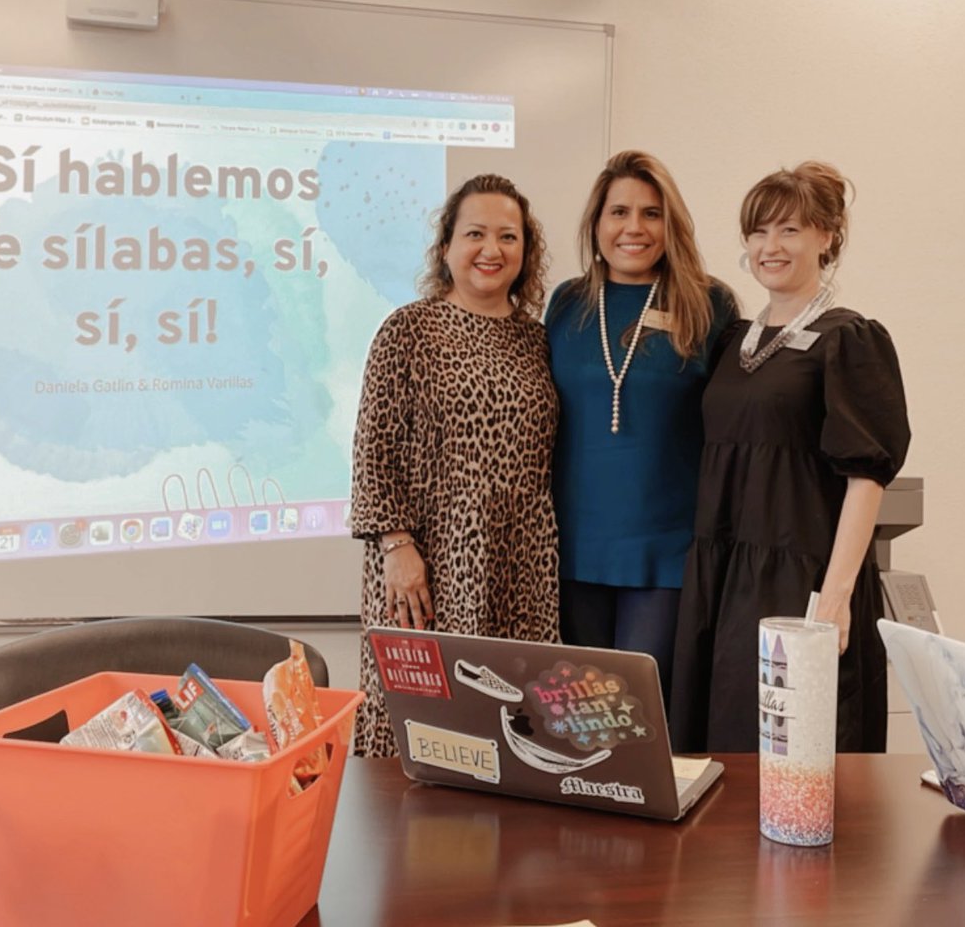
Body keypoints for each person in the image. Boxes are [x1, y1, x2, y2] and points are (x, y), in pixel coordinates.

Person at [670, 161, 911, 753]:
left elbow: (866, 477)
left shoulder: (848, 339)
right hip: (723, 577)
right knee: (716, 750)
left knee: (790, 762)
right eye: (758, 232)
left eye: (789, 231)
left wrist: (833, 599)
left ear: (827, 236)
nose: (769, 247)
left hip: (797, 580)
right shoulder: (734, 340)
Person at [349, 174, 560, 757]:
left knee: (514, 729)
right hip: (424, 567)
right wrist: (398, 549)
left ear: (526, 251)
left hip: (521, 566)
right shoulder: (407, 330)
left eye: (508, 236)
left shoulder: (537, 341)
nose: (492, 250)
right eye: (475, 234)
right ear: (446, 247)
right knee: (424, 725)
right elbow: (373, 450)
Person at [546, 150, 736, 706]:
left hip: (665, 552)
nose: (634, 228)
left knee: (633, 713)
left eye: (651, 214)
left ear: (670, 224)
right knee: (579, 723)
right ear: (596, 223)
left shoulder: (709, 303)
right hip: (574, 550)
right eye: (619, 212)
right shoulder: (567, 303)